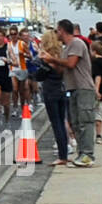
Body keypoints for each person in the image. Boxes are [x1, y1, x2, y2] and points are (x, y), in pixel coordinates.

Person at [41, 20, 95, 168]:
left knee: (85, 122)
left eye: (57, 31)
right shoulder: (66, 48)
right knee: (76, 124)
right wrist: (48, 62)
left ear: (62, 30)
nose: (56, 34)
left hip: (83, 87)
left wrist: (53, 59)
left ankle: (88, 154)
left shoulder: (76, 43)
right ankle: (81, 153)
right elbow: (62, 69)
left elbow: (71, 64)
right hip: (72, 88)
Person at [33, 31, 69, 165]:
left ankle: (62, 156)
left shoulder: (45, 57)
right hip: (62, 89)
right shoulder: (61, 54)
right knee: (62, 120)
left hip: (50, 91)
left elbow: (39, 75)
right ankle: (64, 151)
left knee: (56, 124)